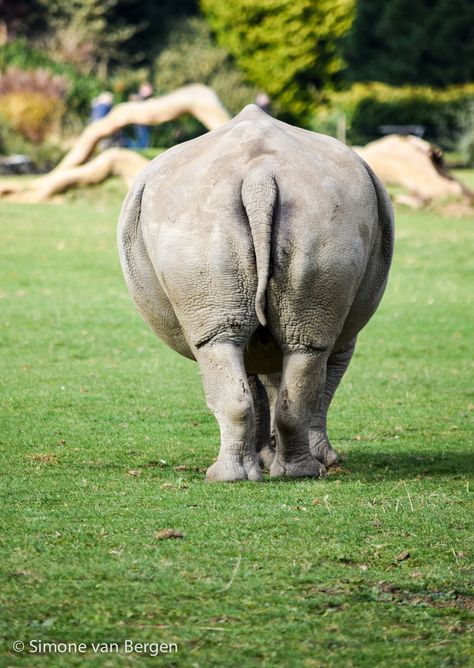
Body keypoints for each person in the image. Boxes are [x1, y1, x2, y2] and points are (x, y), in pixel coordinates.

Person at [133, 82, 154, 149]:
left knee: (145, 136)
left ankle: (143, 147)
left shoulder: (144, 98)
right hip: (140, 121)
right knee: (143, 137)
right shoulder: (140, 98)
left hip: (145, 121)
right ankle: (142, 148)